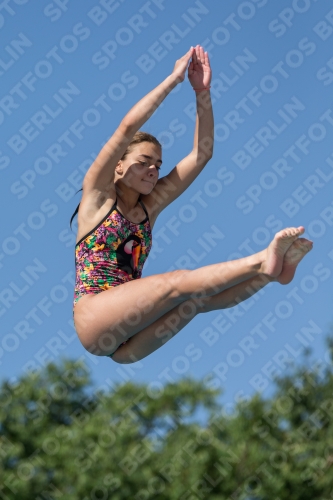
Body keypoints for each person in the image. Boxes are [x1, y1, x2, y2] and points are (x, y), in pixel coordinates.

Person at [71, 45, 313, 364]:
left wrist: (202, 93)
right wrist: (173, 80)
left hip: (130, 344)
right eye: (144, 161)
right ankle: (261, 260)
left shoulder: (150, 207)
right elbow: (126, 129)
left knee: (193, 301)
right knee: (178, 282)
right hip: (95, 320)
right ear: (118, 165)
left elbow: (202, 154)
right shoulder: (98, 197)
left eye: (158, 164)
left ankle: (269, 274)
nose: (154, 169)